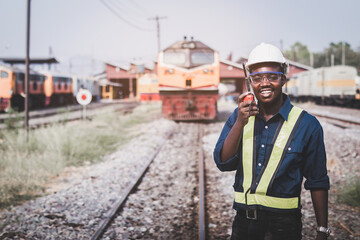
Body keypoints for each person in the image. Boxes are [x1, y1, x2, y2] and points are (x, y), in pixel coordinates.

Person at [213, 43, 330, 240]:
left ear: (283, 79)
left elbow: (317, 181)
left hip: (284, 228)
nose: (264, 83)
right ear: (250, 82)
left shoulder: (307, 125)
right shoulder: (240, 117)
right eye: (257, 78)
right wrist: (240, 124)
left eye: (272, 77)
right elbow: (223, 162)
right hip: (244, 224)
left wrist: (322, 230)